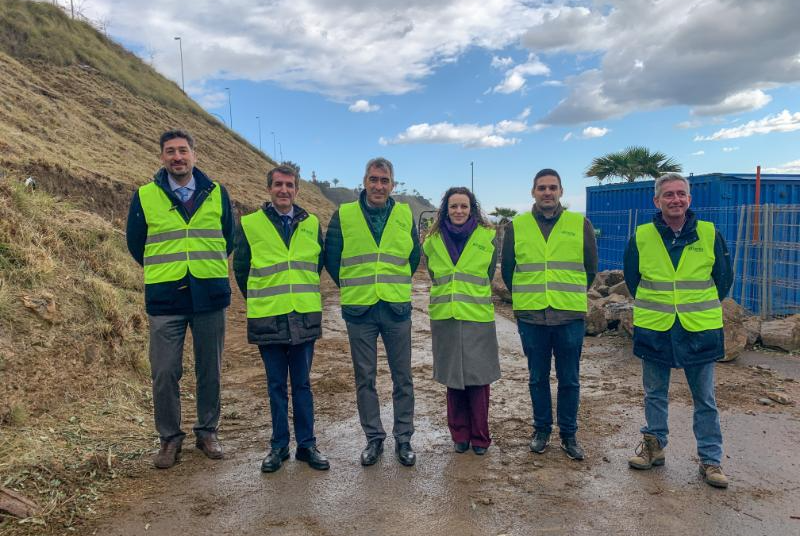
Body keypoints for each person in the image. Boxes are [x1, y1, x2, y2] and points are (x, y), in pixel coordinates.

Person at [126, 129, 234, 469]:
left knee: (210, 370)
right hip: (165, 297)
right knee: (164, 371)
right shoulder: (144, 195)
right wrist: (169, 268)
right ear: (162, 157)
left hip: (209, 295)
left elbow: (228, 238)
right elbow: (136, 243)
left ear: (194, 156)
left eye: (183, 151)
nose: (177, 157)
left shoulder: (217, 193)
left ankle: (207, 432)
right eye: (170, 151)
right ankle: (169, 438)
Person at [623, 173, 733, 489]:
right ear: (657, 201)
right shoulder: (642, 236)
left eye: (681, 194)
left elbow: (723, 279)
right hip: (656, 327)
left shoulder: (709, 234)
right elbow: (633, 279)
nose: (676, 200)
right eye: (668, 195)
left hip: (699, 329)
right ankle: (654, 447)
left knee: (705, 398)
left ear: (689, 198)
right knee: (654, 393)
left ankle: (710, 461)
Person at [232, 165, 329, 473]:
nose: (284, 190)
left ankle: (306, 445)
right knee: (276, 385)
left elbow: (318, 263)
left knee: (302, 384)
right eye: (278, 185)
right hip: (268, 317)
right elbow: (242, 270)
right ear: (269, 188)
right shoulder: (250, 224)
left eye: (289, 185)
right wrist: (263, 300)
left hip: (303, 315)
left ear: (296, 189)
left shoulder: (312, 223)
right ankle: (278, 447)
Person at [324, 157, 420, 467]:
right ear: (364, 181)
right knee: (364, 376)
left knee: (402, 377)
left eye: (385, 180)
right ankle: (374, 438)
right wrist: (353, 286)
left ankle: (403, 438)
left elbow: (413, 257)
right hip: (360, 310)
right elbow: (333, 258)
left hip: (395, 308)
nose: (379, 186)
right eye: (374, 179)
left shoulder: (405, 214)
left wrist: (393, 284)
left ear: (393, 184)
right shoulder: (345, 214)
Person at [501, 168, 598, 461]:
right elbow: (508, 270)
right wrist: (526, 298)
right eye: (542, 187)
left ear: (561, 191)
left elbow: (590, 269)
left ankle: (568, 435)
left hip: (569, 316)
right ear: (533, 192)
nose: (547, 192)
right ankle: (541, 430)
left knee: (570, 379)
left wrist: (569, 296)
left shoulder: (579, 224)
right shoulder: (517, 226)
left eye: (552, 187)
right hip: (532, 316)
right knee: (537, 377)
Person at [423, 187, 500, 455]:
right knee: (452, 378)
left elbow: (488, 274)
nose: (458, 211)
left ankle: (480, 436)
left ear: (472, 209)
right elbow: (434, 274)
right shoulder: (432, 240)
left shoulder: (487, 237)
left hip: (477, 317)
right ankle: (459, 434)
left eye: (463, 206)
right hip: (445, 317)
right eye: (453, 206)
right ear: (445, 209)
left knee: (478, 380)